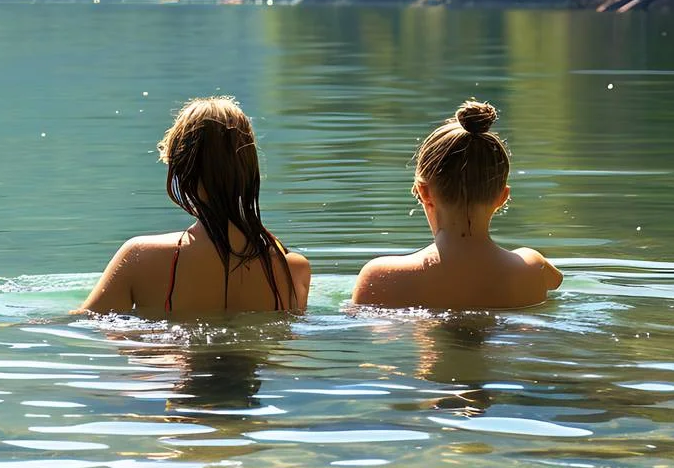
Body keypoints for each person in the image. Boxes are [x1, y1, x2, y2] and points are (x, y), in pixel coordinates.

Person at [80, 96, 311, 317]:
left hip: (175, 354)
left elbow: (85, 324)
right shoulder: (293, 270)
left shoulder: (140, 257)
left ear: (181, 168)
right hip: (257, 358)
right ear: (249, 169)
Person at [352, 100, 562, 310]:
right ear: (503, 196)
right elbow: (557, 281)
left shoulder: (381, 277)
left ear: (423, 192)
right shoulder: (533, 267)